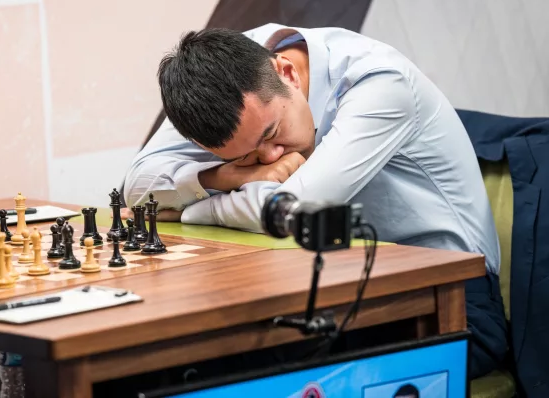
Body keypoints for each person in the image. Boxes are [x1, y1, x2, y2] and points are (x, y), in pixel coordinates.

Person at [123, 24, 507, 379]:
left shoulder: (378, 82)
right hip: (336, 285)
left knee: (243, 367)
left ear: (286, 73)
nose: (270, 157)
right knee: (186, 359)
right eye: (243, 153)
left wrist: (189, 209)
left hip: (451, 304)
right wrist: (224, 176)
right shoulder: (219, 79)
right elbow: (136, 187)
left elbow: (294, 209)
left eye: (271, 133)